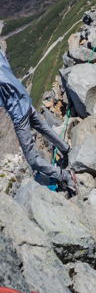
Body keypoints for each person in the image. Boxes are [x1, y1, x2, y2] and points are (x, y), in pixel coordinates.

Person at [0, 46, 75, 194]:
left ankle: (64, 176)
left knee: (32, 159)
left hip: (18, 112)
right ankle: (66, 150)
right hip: (25, 102)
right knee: (44, 128)